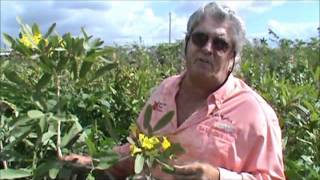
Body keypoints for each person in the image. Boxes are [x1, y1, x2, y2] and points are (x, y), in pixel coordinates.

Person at [62, 2, 285, 180]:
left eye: (220, 44)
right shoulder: (165, 91)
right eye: (200, 39)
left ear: (232, 57)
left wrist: (217, 177)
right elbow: (137, 151)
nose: (207, 49)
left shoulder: (255, 113)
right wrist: (92, 161)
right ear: (187, 44)